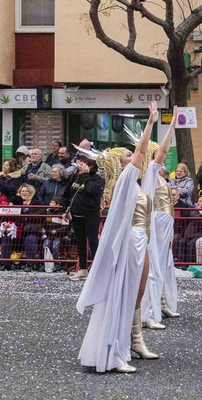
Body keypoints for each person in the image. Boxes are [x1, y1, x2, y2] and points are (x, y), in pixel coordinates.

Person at [77, 104, 161, 373]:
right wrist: (150, 123)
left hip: (139, 240)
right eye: (127, 153)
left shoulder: (135, 182)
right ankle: (113, 352)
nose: (134, 153)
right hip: (129, 243)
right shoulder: (125, 179)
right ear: (120, 163)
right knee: (121, 295)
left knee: (134, 295)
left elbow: (150, 155)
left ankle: (131, 343)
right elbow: (141, 152)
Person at [141, 131, 181, 323]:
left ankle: (164, 303)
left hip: (166, 223)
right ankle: (151, 308)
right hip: (158, 221)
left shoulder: (161, 177)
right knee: (156, 264)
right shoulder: (151, 174)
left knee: (166, 264)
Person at [66, 152, 103, 280]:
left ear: (91, 166)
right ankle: (83, 269)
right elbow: (67, 193)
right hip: (76, 215)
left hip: (90, 214)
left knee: (93, 241)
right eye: (79, 164)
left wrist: (86, 176)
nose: (80, 166)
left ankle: (98, 269)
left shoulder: (97, 179)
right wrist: (64, 208)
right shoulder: (75, 177)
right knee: (80, 242)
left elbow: (90, 190)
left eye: (83, 164)